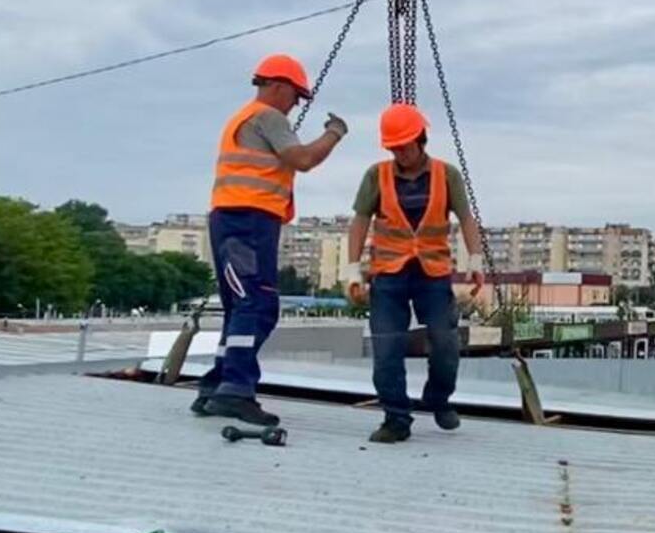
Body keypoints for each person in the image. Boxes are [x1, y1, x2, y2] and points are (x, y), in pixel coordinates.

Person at [194, 54, 347, 425]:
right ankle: (236, 390)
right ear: (278, 87)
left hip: (235, 219)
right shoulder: (268, 117)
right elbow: (304, 159)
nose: (296, 104)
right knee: (256, 305)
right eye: (296, 96)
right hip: (248, 220)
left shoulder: (243, 117)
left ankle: (217, 384)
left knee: (241, 306)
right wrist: (335, 133)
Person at [345, 103, 486, 444]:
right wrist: (352, 271)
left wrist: (476, 261)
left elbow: (466, 218)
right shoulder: (375, 176)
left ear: (420, 140)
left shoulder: (446, 174)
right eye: (393, 148)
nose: (400, 153)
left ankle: (438, 398)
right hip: (388, 275)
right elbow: (360, 221)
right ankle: (396, 418)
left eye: (404, 146)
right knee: (387, 348)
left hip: (432, 273)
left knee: (445, 341)